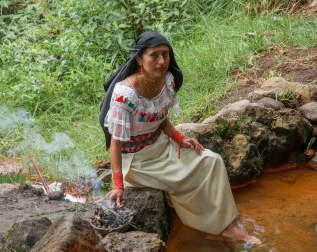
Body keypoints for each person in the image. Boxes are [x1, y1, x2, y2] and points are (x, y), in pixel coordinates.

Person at [99, 31, 261, 245]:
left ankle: (225, 225)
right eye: (154, 55)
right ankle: (217, 227)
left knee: (211, 161)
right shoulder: (125, 94)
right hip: (138, 162)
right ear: (139, 59)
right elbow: (115, 142)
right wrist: (118, 185)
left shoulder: (166, 81)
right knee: (183, 179)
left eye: (165, 54)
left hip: (162, 146)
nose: (162, 61)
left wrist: (179, 139)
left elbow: (160, 119)